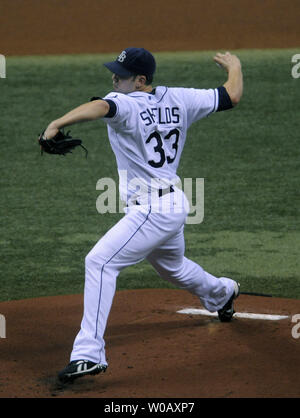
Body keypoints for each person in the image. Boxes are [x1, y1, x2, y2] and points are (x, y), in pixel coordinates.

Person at [43, 47, 243, 383]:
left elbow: (101, 107)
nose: (113, 78)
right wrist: (235, 66)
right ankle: (223, 293)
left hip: (153, 210)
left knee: (100, 262)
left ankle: (87, 354)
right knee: (174, 267)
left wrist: (57, 123)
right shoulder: (181, 98)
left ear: (140, 80)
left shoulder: (125, 103)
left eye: (120, 75)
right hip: (175, 204)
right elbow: (231, 95)